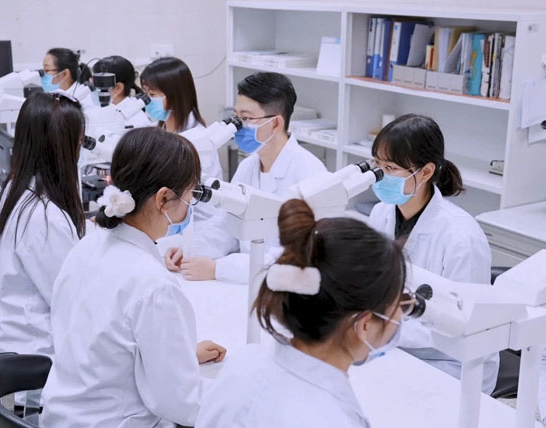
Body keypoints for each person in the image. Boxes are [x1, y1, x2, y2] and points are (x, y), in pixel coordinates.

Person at [41, 127, 226, 428]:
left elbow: (103, 346)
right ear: (164, 198)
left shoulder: (86, 246)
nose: (190, 205)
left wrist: (179, 358)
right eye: (191, 194)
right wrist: (239, 394)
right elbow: (182, 403)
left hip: (62, 415)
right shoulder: (153, 286)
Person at [196, 199, 407, 427]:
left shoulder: (244, 363)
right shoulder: (332, 419)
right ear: (363, 325)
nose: (400, 316)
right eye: (398, 304)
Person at [367, 113, 498, 394]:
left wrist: (384, 326)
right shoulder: (381, 213)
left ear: (425, 172)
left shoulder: (461, 236)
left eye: (390, 167)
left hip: (451, 364)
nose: (380, 175)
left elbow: (464, 324)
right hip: (396, 347)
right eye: (377, 165)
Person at [165, 72, 326, 283]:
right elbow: (227, 224)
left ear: (276, 124)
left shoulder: (310, 173)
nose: (238, 127)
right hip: (243, 281)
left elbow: (297, 256)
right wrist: (191, 250)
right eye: (237, 117)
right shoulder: (248, 166)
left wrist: (218, 268)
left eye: (247, 118)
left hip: (283, 288)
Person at [0, 92, 86, 359]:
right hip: (30, 358)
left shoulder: (12, 190)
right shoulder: (45, 218)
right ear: (65, 148)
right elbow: (73, 302)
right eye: (79, 142)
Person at [140, 57, 223, 184]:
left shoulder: (199, 140)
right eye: (145, 94)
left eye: (152, 94)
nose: (146, 101)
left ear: (175, 95)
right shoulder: (157, 128)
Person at [90, 55, 152, 128]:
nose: (94, 89)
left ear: (118, 88)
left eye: (99, 84)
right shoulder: (100, 111)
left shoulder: (136, 121)